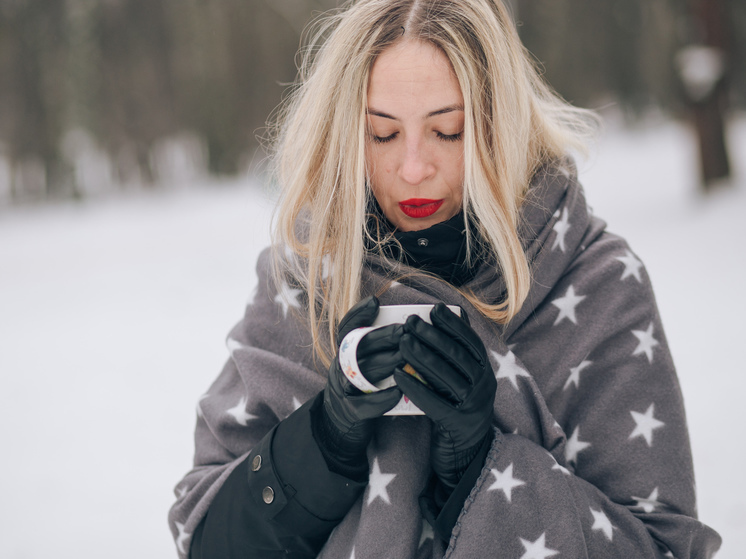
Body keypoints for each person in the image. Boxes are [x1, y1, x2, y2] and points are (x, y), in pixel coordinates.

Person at [169, 0, 722, 557]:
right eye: (382, 134)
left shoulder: (597, 283)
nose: (413, 167)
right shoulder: (304, 278)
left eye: (449, 131)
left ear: (500, 126)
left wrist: (479, 470)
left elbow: (661, 546)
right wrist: (323, 442)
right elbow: (207, 540)